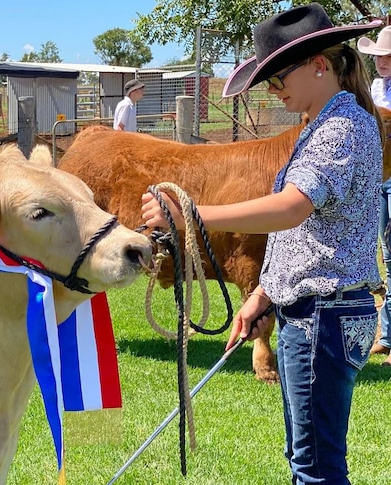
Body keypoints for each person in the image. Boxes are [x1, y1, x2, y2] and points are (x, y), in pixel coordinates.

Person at [140, 4, 382, 484]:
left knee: (316, 468)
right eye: (268, 81)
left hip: (322, 318)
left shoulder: (340, 128)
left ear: (320, 66)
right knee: (308, 460)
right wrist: (262, 294)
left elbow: (293, 208)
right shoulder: (327, 124)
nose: (274, 90)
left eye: (279, 76)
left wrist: (194, 214)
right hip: (318, 313)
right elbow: (307, 234)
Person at [357, 26, 391, 364]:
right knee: (384, 251)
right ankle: (388, 334)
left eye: (387, 56)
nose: (382, 61)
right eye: (379, 56)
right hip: (377, 177)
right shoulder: (375, 88)